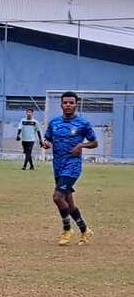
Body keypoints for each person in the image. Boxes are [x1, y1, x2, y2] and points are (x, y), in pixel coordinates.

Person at [40, 91, 98, 245]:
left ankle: (67, 229)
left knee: (57, 197)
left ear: (76, 105)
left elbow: (94, 143)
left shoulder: (83, 124)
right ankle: (85, 230)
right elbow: (47, 139)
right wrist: (46, 144)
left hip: (72, 166)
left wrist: (81, 145)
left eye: (71, 103)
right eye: (65, 102)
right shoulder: (54, 123)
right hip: (57, 165)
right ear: (61, 104)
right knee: (68, 203)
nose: (68, 105)